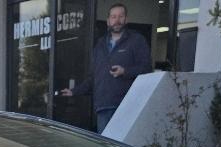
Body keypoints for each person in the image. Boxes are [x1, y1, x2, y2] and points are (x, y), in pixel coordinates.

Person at [61, 3, 152, 135]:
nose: (117, 20)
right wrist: (74, 91)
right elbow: (93, 77)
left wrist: (125, 71)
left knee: (123, 145)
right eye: (113, 17)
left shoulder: (136, 41)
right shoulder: (100, 45)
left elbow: (146, 69)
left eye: (121, 16)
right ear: (108, 21)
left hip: (126, 106)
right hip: (103, 107)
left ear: (126, 19)